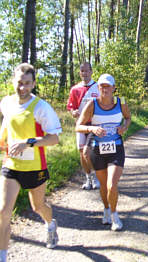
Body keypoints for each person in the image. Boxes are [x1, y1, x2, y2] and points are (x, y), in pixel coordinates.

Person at [0, 63, 62, 262]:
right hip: (11, 165)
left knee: (38, 207)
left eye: (27, 83)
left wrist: (28, 143)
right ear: (13, 82)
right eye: (19, 83)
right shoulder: (6, 102)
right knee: (3, 212)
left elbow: (54, 139)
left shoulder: (41, 107)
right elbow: (7, 124)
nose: (22, 88)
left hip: (35, 167)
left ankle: (50, 224)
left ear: (34, 83)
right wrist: (2, 141)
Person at [75, 74, 131, 231]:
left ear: (114, 88)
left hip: (116, 148)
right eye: (101, 86)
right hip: (97, 150)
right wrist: (92, 128)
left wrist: (124, 128)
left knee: (111, 184)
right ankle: (106, 210)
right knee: (103, 186)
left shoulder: (121, 103)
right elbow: (78, 126)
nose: (104, 89)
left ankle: (114, 216)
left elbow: (128, 118)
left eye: (108, 86)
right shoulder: (92, 104)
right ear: (98, 88)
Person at [67, 62, 100, 190]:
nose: (85, 73)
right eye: (82, 71)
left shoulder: (97, 87)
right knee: (82, 152)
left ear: (91, 72)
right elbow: (71, 107)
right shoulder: (75, 89)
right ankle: (88, 178)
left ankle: (96, 176)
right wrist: (73, 112)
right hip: (81, 125)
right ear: (79, 73)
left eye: (87, 71)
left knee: (92, 152)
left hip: (95, 125)